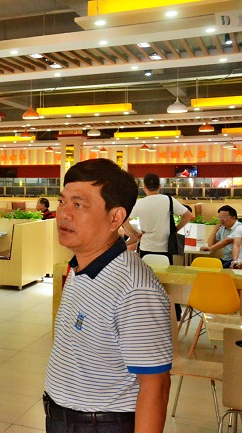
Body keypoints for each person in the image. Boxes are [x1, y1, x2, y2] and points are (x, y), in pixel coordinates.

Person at [45, 158, 171, 433]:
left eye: (78, 205)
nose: (63, 214)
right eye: (62, 201)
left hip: (100, 425)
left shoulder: (135, 290)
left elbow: (156, 386)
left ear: (116, 218)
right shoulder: (80, 265)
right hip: (62, 417)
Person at [124, 173, 193, 265]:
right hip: (166, 248)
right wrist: (175, 229)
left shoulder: (140, 203)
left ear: (144, 187)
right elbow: (188, 216)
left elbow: (125, 221)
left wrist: (135, 233)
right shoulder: (169, 200)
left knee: (146, 276)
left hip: (146, 247)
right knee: (166, 276)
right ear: (159, 186)